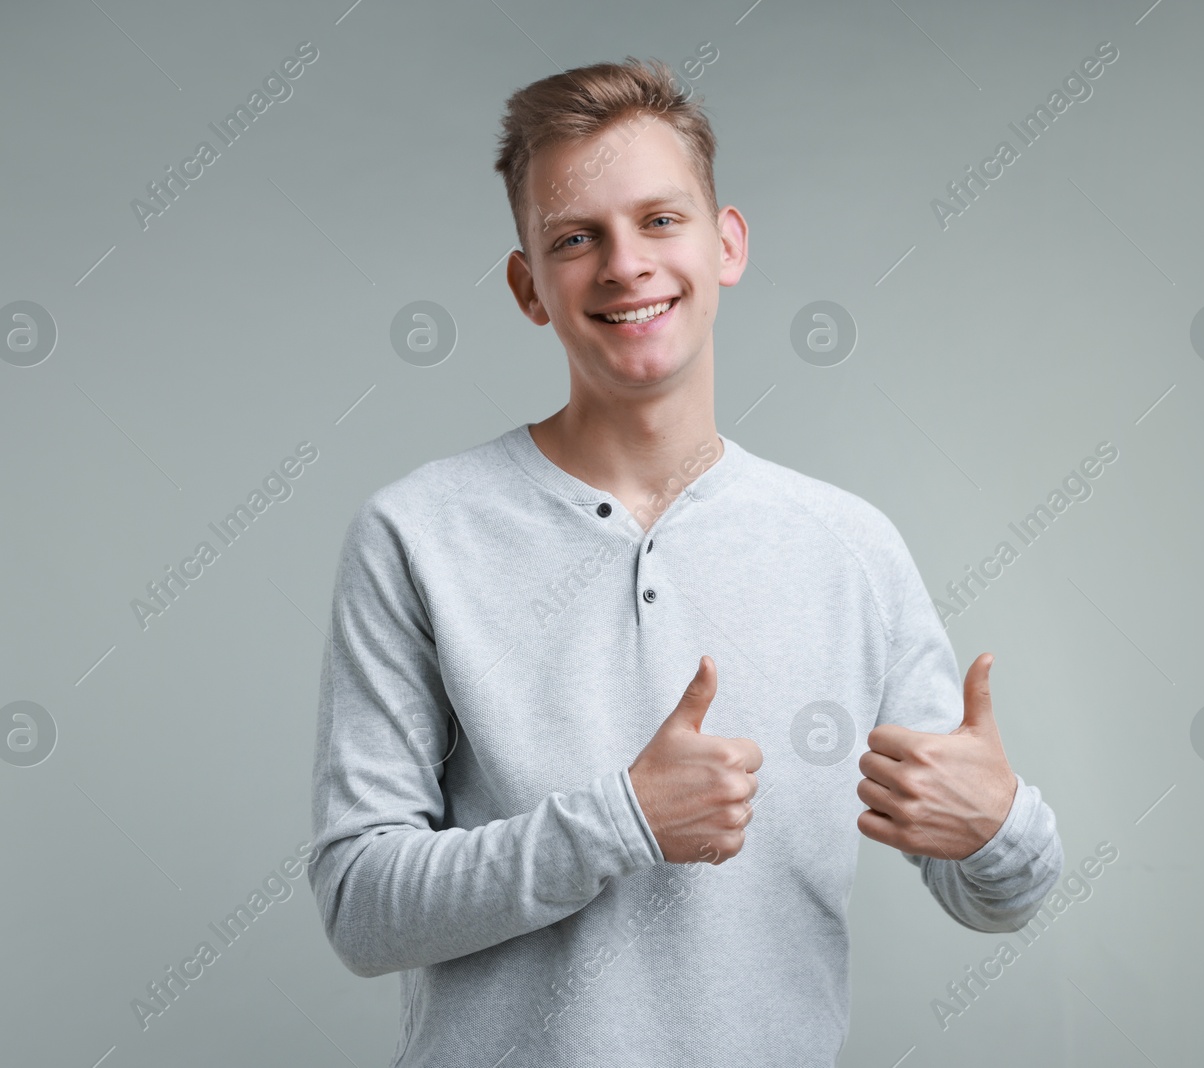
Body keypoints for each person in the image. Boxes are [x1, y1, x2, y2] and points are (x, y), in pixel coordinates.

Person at [309, 55, 1063, 1067]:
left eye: (660, 220)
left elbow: (994, 899)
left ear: (727, 243)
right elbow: (360, 906)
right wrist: (619, 821)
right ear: (529, 288)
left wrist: (998, 825)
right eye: (577, 239)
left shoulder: (850, 548)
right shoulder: (416, 534)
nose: (625, 265)